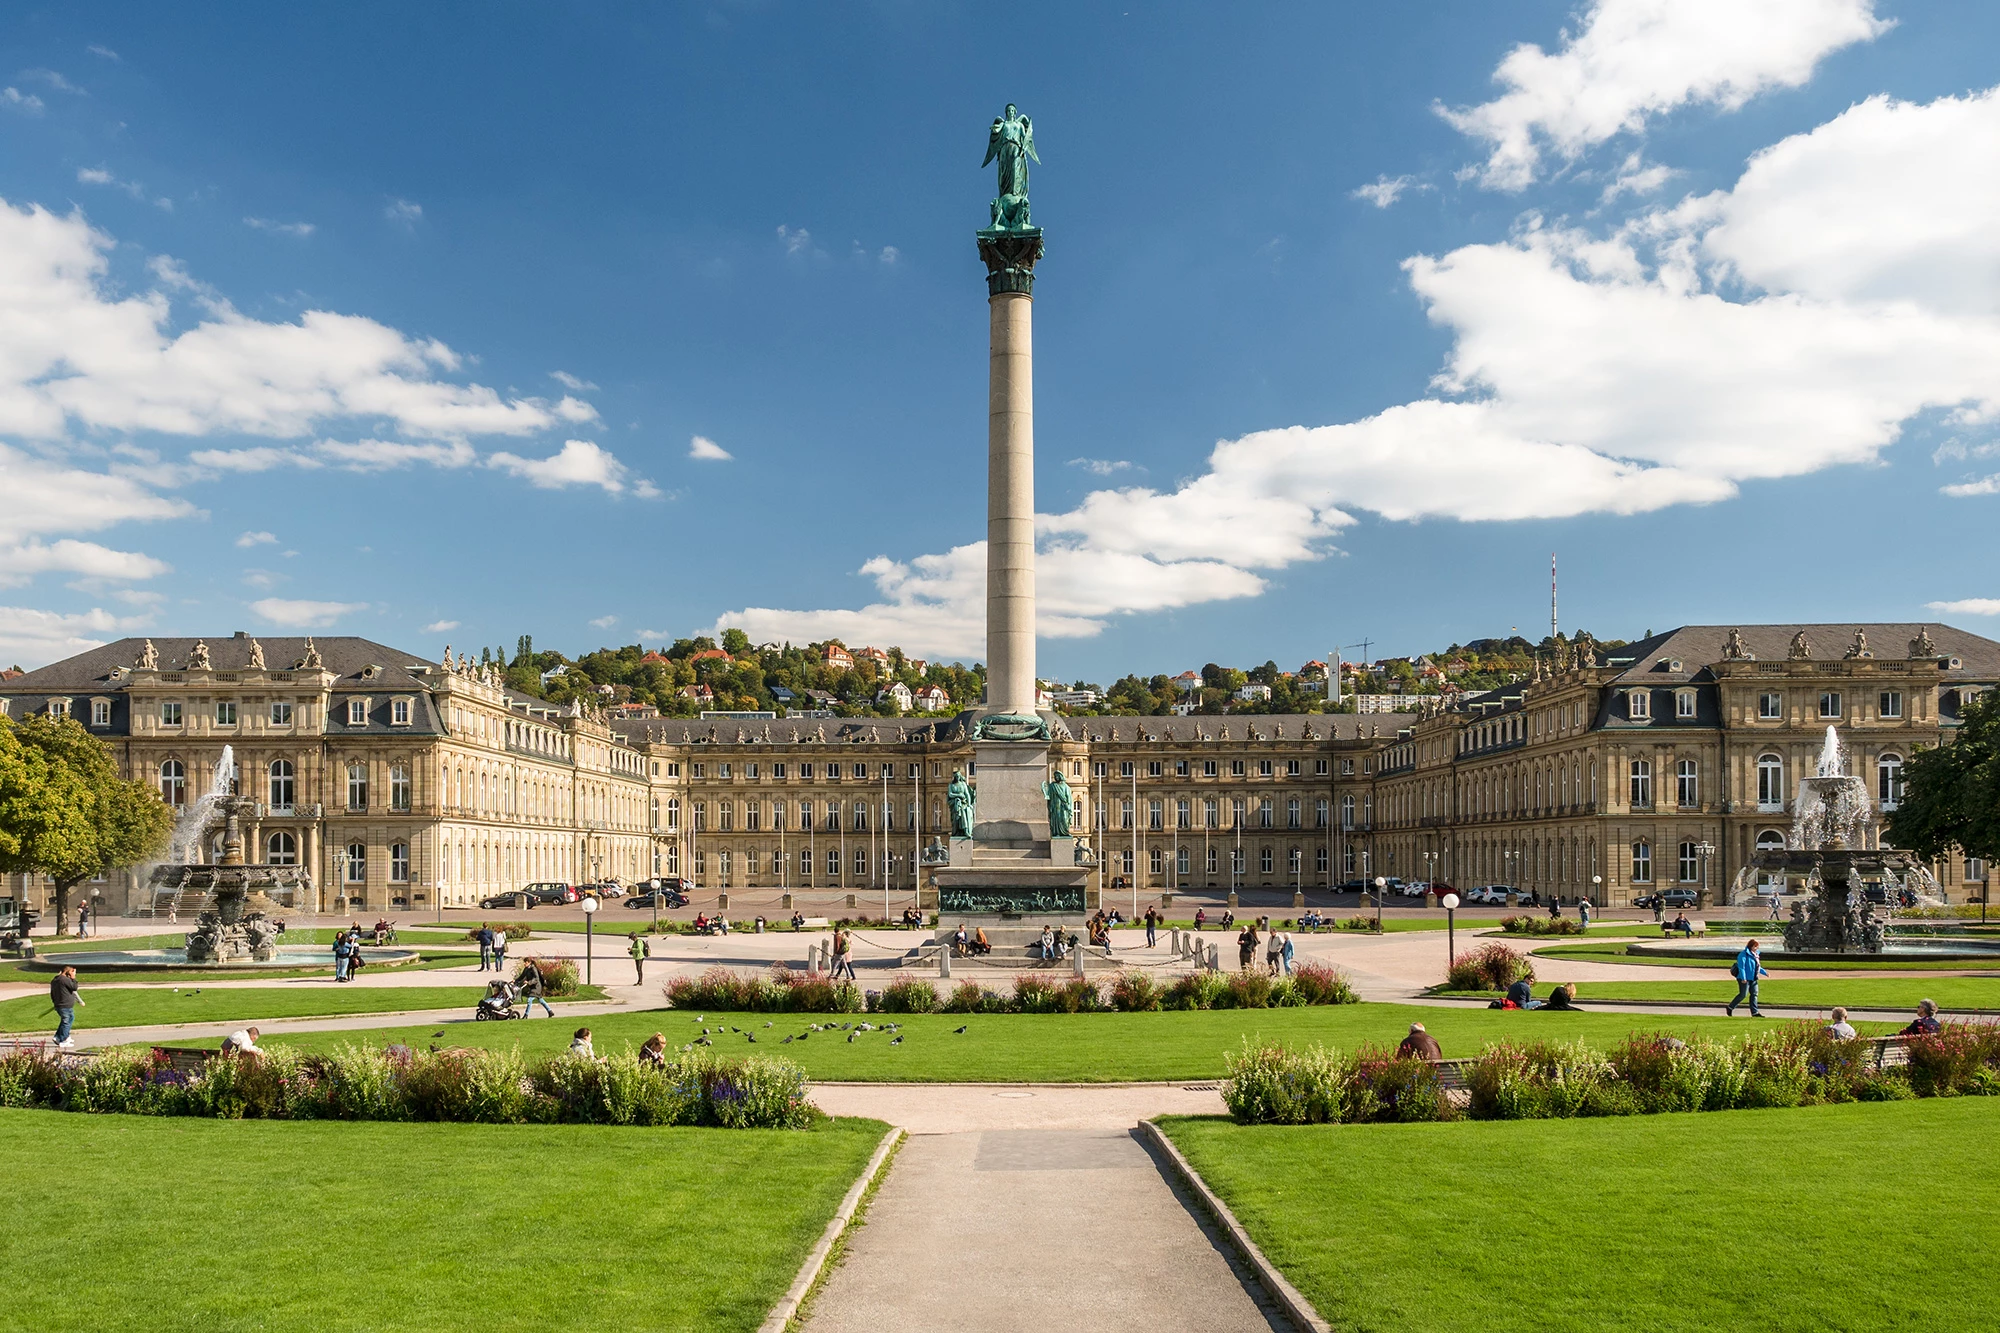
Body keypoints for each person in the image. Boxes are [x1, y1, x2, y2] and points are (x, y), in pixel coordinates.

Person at [1726, 939, 1768, 1017]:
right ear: (1751, 946)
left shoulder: (1756, 955)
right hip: (1744, 978)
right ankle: (1730, 1007)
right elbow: (1742, 967)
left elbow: (1757, 967)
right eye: (1755, 947)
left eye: (1757, 947)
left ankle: (1754, 1012)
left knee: (1754, 994)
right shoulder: (1743, 954)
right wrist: (1743, 978)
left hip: (1753, 978)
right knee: (1743, 995)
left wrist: (1764, 972)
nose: (1756, 948)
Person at [49, 966, 82, 1049]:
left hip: (60, 1005)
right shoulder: (64, 980)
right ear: (69, 972)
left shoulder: (55, 980)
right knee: (66, 1022)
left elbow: (52, 993)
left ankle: (58, 1037)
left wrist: (55, 1002)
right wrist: (73, 978)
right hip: (65, 1005)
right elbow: (74, 987)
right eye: (72, 972)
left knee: (69, 1019)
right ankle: (63, 1040)